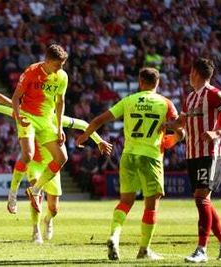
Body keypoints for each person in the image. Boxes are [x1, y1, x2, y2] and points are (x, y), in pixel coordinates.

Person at [0, 100, 112, 244]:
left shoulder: (54, 118)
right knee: (36, 195)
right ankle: (36, 230)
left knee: (54, 209)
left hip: (52, 165)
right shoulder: (22, 114)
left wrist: (99, 141)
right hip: (34, 164)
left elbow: (83, 124)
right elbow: (2, 108)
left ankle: (48, 219)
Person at [76, 67, 184, 261]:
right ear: (157, 83)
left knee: (125, 202)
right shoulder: (165, 103)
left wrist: (85, 136)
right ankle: (144, 250)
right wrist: (173, 136)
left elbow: (100, 119)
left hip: (129, 156)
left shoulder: (128, 101)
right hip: (151, 156)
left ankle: (114, 236)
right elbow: (180, 127)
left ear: (140, 82)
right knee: (151, 205)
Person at [166, 58, 221, 263]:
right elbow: (181, 122)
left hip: (210, 153)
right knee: (204, 201)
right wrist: (165, 125)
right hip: (192, 154)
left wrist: (216, 132)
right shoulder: (190, 98)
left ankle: (201, 249)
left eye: (190, 71)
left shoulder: (215, 94)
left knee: (201, 197)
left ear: (195, 73)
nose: (189, 75)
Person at [11, 44, 69, 213]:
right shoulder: (31, 71)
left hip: (46, 120)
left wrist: (59, 128)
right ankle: (13, 193)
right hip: (28, 116)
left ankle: (35, 189)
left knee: (61, 158)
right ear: (47, 61)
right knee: (28, 155)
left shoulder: (62, 76)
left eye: (62, 65)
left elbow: (60, 102)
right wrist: (18, 115)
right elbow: (15, 98)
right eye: (57, 64)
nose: (60, 68)